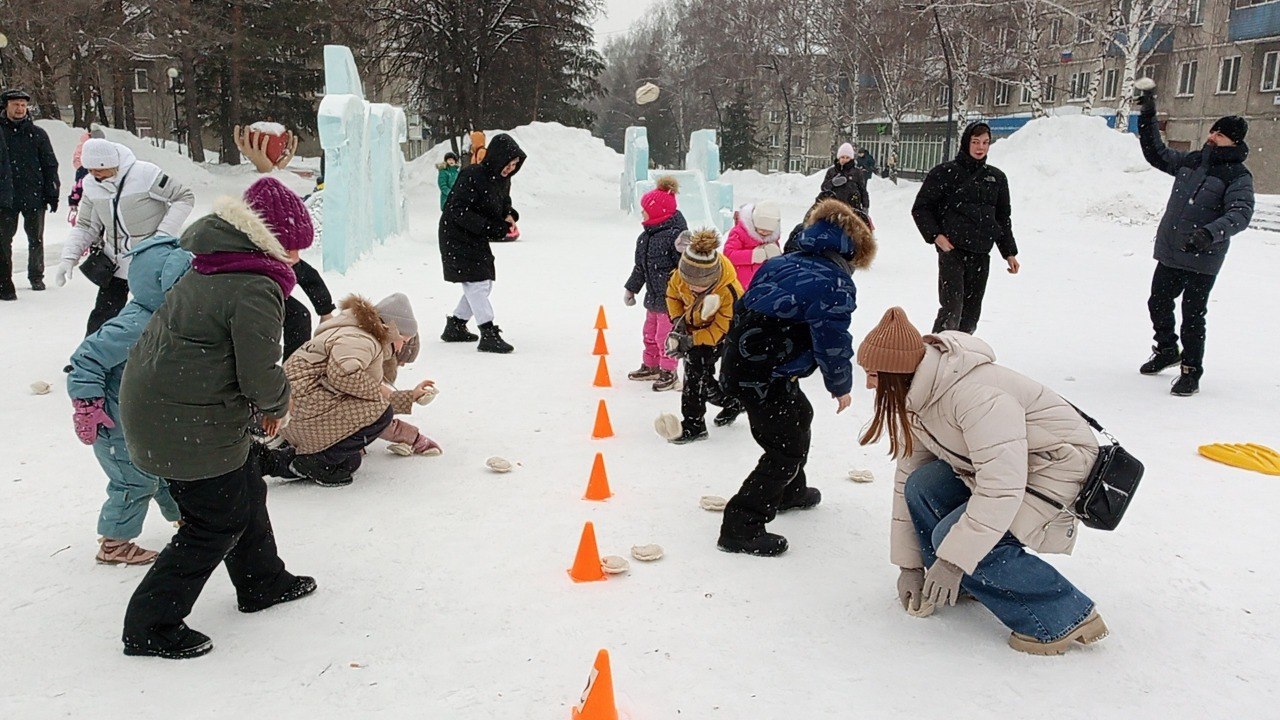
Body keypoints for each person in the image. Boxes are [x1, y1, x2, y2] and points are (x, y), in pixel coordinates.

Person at [118, 177, 316, 660]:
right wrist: (275, 408)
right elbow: (259, 370)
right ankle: (151, 624)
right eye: (291, 245)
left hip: (175, 408)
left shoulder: (215, 266)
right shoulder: (253, 286)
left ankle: (261, 581)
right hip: (184, 420)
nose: (296, 256)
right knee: (213, 521)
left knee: (246, 487)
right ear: (267, 239)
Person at [855, 307, 1108, 655]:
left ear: (897, 372)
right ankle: (964, 583)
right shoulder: (918, 396)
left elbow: (1001, 489)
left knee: (957, 539)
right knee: (923, 484)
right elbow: (908, 475)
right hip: (1009, 466)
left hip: (1058, 467)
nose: (869, 384)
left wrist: (953, 558)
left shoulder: (975, 396)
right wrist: (910, 565)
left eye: (873, 375)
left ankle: (1062, 616)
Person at [717, 198, 875, 556]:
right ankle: (741, 525)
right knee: (784, 448)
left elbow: (745, 305)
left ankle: (789, 491)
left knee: (799, 416)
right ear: (853, 253)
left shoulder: (781, 263)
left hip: (747, 364)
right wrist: (840, 385)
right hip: (764, 374)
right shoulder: (834, 282)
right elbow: (832, 340)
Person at [67, 233, 189, 565]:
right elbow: (85, 360)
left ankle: (186, 519)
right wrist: (88, 407)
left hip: (142, 419)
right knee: (133, 482)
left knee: (161, 470)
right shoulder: (137, 324)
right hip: (113, 422)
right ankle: (114, 544)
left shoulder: (164, 318)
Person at [1134, 92, 1254, 396]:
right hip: (1173, 251)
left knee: (1192, 314)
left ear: (1235, 142)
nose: (1213, 136)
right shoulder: (1194, 160)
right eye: (1213, 130)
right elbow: (1156, 153)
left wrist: (1208, 234)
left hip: (1203, 257)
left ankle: (1190, 372)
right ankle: (1166, 350)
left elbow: (1240, 213)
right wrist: (1148, 115)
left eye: (1221, 134)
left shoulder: (1238, 176)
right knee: (1157, 302)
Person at [279, 293, 439, 486]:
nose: (400, 347)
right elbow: (346, 377)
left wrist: (409, 397)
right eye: (404, 340)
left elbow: (360, 387)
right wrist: (412, 436)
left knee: (350, 461)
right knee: (379, 413)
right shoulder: (363, 340)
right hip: (300, 408)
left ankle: (281, 461)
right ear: (393, 330)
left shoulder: (353, 332)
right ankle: (314, 462)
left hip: (288, 410)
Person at [55, 139, 195, 336]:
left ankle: (166, 356)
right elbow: (86, 226)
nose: (94, 175)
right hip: (115, 262)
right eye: (90, 170)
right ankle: (91, 360)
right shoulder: (91, 185)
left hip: (152, 262)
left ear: (112, 164)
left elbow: (184, 197)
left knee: (162, 313)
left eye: (99, 170)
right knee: (104, 315)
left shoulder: (145, 174)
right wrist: (68, 257)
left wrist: (162, 236)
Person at [911, 121, 1020, 335]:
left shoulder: (996, 178)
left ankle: (958, 358)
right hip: (953, 251)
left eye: (986, 142)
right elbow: (921, 208)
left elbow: (1002, 218)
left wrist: (1009, 252)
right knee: (952, 310)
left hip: (981, 253)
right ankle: (937, 355)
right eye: (975, 142)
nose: (980, 147)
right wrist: (936, 236)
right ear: (966, 142)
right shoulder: (945, 173)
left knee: (970, 315)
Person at [438, 133, 525, 353]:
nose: (510, 168)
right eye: (508, 163)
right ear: (498, 158)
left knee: (483, 282)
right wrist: (492, 227)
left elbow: (502, 204)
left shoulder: (503, 180)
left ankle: (456, 325)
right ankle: (488, 333)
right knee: (476, 283)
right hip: (456, 233)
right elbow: (458, 210)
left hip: (475, 234)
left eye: (514, 165)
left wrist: (509, 215)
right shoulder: (472, 174)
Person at [660, 229, 743, 443]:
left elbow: (720, 330)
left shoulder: (728, 291)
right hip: (695, 329)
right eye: (689, 283)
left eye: (699, 285)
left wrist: (692, 341)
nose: (692, 288)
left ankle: (695, 423)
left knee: (696, 374)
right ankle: (731, 402)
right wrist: (679, 325)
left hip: (725, 334)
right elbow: (672, 296)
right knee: (699, 377)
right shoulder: (681, 275)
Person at [623, 176, 687, 391]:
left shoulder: (675, 238)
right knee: (649, 334)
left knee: (665, 337)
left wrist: (685, 251)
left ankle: (669, 371)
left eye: (645, 210)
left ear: (658, 213)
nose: (642, 214)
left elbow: (686, 268)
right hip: (652, 298)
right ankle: (651, 365)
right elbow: (640, 267)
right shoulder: (645, 238)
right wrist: (631, 288)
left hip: (671, 301)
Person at [0, 88, 59, 299]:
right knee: (4, 240)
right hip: (6, 198)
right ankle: (4, 280)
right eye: (15, 104)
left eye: (23, 105)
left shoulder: (37, 134)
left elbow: (50, 164)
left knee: (36, 238)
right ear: (6, 106)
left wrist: (52, 191)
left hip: (34, 195)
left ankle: (36, 275)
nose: (19, 109)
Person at [722, 201, 782, 289]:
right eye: (761, 229)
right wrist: (752, 256)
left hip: (761, 284)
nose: (764, 233)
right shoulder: (739, 232)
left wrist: (776, 257)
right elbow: (729, 254)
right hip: (739, 284)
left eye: (768, 231)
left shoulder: (772, 239)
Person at [818, 142, 869, 213]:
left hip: (852, 210)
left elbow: (863, 190)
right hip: (833, 210)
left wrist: (865, 206)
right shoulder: (832, 171)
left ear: (851, 159)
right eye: (842, 157)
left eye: (847, 157)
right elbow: (823, 188)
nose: (844, 160)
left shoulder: (857, 172)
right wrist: (832, 183)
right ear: (838, 157)